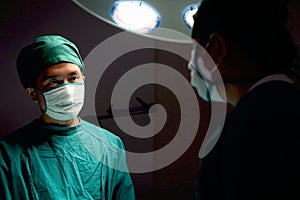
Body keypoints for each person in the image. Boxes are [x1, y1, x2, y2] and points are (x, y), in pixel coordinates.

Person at [188, 0, 300, 199]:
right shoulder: (289, 102)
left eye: (195, 50)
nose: (190, 64)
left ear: (217, 48)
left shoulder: (247, 127)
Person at [0, 35, 135, 199]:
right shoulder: (9, 154)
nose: (68, 90)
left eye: (73, 78)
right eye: (53, 82)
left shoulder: (110, 145)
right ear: (33, 94)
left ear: (83, 80)